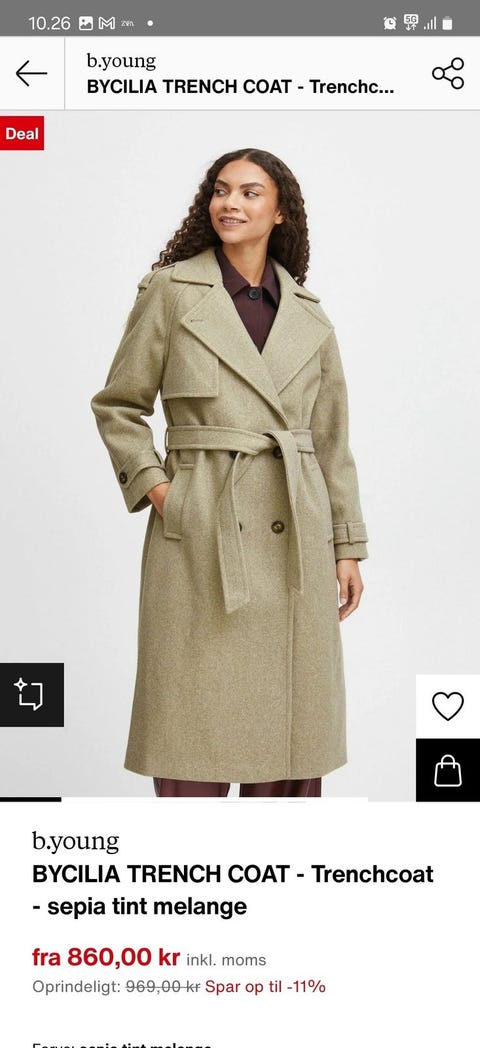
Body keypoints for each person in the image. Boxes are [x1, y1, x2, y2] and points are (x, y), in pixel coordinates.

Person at [91, 147, 368, 799]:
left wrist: (347, 545)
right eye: (220, 190)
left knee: (290, 749)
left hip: (295, 535)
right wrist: (165, 492)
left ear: (280, 212)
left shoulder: (309, 314)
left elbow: (331, 441)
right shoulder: (171, 292)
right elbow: (119, 406)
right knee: (192, 736)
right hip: (202, 534)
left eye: (249, 192)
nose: (230, 203)